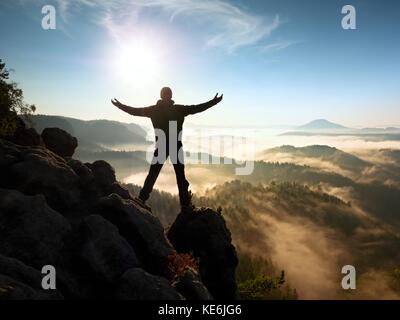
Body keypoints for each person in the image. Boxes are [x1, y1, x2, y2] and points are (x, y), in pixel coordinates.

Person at [111, 87, 223, 210]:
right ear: (170, 96)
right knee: (180, 177)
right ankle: (185, 204)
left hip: (162, 147)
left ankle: (142, 198)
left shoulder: (153, 110)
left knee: (153, 175)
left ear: (161, 96)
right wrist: (214, 101)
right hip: (176, 146)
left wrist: (119, 105)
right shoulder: (179, 109)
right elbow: (198, 108)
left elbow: (133, 111)